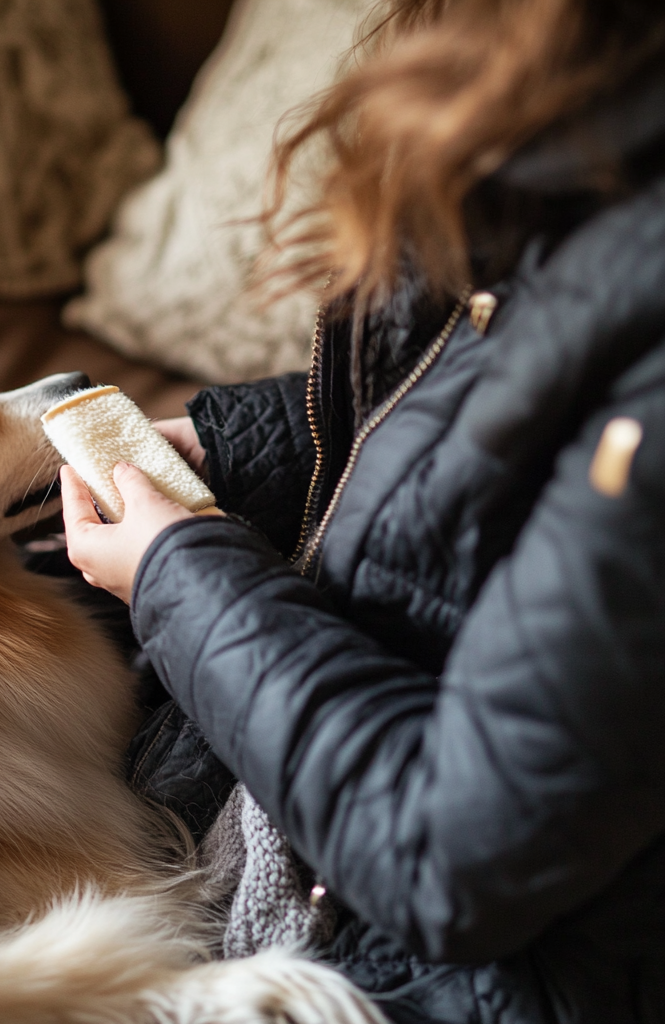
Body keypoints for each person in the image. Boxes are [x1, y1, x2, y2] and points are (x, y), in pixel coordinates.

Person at [57, 0, 665, 1022]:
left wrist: (175, 574)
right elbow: (451, 413)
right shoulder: (542, 108)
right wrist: (228, 447)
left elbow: (451, 855)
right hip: (294, 811)